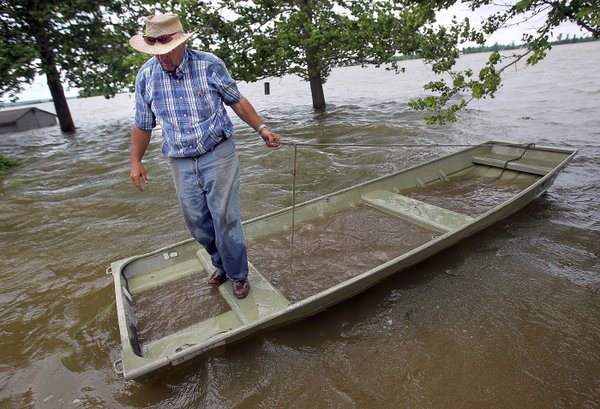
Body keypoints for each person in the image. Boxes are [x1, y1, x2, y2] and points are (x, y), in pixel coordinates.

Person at [128, 13, 282, 299]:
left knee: (225, 217)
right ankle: (220, 263)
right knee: (197, 221)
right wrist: (136, 160)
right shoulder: (147, 75)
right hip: (180, 158)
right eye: (155, 52)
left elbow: (236, 99)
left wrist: (262, 128)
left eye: (166, 50)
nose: (161, 57)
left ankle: (238, 274)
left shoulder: (209, 64)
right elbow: (142, 122)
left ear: (182, 43)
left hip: (218, 151)